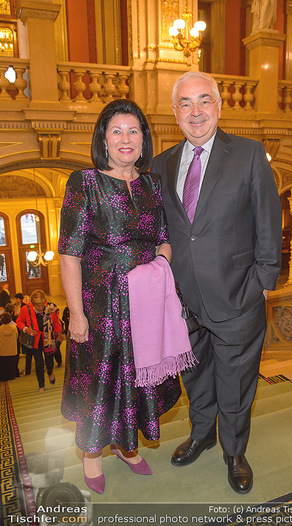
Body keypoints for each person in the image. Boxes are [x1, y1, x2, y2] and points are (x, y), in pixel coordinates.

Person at [152, 71, 282, 494]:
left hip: (237, 295)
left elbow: (268, 221)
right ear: (175, 113)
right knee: (195, 378)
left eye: (204, 100)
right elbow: (166, 231)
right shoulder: (161, 163)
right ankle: (202, 433)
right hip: (183, 298)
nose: (196, 111)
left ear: (219, 105)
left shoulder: (248, 154)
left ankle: (234, 451)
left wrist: (263, 281)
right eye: (186, 104)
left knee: (236, 380)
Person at [58, 98, 182, 495]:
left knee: (138, 378)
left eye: (134, 131)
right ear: (104, 140)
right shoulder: (85, 183)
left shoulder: (152, 184)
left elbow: (163, 237)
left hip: (145, 305)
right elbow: (70, 253)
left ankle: (129, 448)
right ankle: (92, 455)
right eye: (117, 131)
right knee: (100, 383)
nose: (126, 139)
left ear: (144, 141)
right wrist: (76, 313)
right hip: (101, 308)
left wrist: (159, 265)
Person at [16, 290, 63, 392]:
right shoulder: (26, 309)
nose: (41, 308)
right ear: (32, 304)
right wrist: (26, 329)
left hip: (48, 339)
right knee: (39, 363)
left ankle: (50, 372)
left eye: (42, 305)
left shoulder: (51, 307)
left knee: (49, 362)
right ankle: (41, 385)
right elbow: (19, 322)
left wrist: (59, 333)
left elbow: (56, 322)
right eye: (38, 306)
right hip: (35, 341)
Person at [0, 312, 18, 381]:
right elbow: (16, 337)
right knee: (11, 366)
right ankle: (11, 376)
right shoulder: (14, 328)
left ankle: (4, 377)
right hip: (12, 350)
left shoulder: (0, 329)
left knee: (3, 367)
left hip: (2, 350)